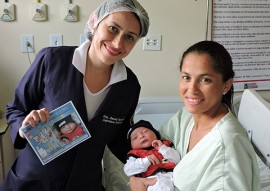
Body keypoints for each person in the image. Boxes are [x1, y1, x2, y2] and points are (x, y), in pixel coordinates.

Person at [0, 0, 149, 190]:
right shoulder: (52, 60)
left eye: (129, 37)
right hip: (34, 180)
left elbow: (119, 137)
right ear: (94, 22)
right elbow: (15, 108)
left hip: (84, 183)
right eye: (113, 28)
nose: (118, 42)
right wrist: (23, 126)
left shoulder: (129, 86)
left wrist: (150, 158)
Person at [130, 41, 261, 191]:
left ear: (226, 85)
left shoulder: (226, 148)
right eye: (186, 77)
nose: (192, 89)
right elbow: (157, 141)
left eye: (205, 79)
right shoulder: (187, 116)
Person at [124, 120, 180, 191]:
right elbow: (128, 170)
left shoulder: (164, 145)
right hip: (152, 181)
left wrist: (163, 149)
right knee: (160, 185)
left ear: (155, 134)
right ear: (131, 146)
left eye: (145, 131)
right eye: (135, 138)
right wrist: (145, 161)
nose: (141, 136)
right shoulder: (134, 155)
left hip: (172, 176)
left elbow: (177, 160)